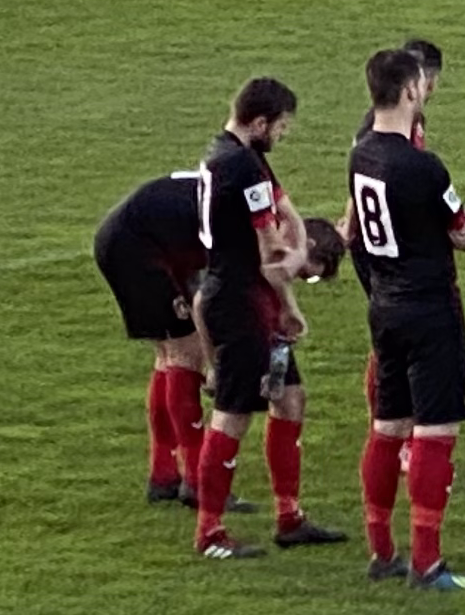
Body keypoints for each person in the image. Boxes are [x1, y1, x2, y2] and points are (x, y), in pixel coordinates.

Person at [349, 45, 465, 591]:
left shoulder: (360, 154)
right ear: (412, 90)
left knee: (387, 427)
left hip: (383, 306)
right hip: (431, 307)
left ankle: (382, 549)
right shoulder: (422, 166)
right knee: (435, 431)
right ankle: (427, 562)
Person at [186, 78, 345, 559]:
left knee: (290, 398)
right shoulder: (243, 166)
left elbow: (286, 213)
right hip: (239, 302)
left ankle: (289, 516)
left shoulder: (231, 154)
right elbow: (271, 248)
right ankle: (210, 532)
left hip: (247, 298)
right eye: (280, 127)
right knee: (232, 414)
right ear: (259, 123)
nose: (283, 135)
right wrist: (299, 262)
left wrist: (290, 288)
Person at [90, 162, 208, 503]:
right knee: (187, 352)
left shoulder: (236, 188)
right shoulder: (247, 223)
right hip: (140, 250)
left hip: (132, 239)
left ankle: (164, 476)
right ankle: (198, 480)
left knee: (169, 355)